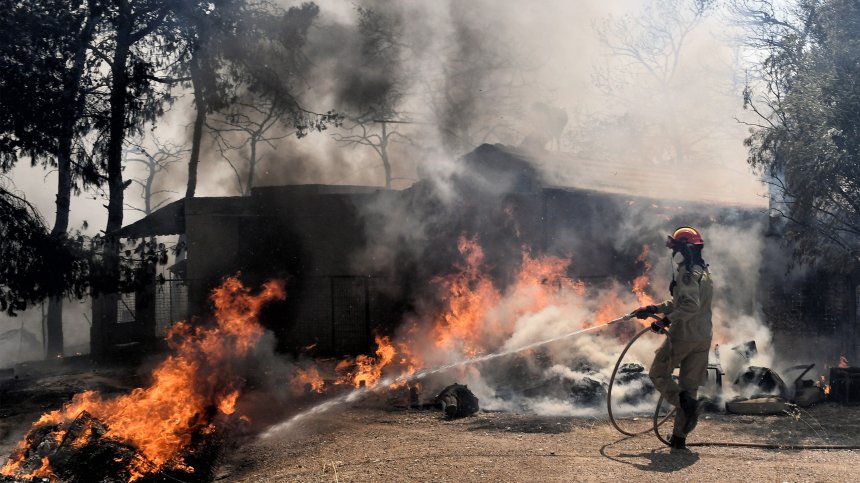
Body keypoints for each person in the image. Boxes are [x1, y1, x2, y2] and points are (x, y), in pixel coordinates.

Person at [632, 226, 713, 451]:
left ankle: (687, 407)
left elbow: (689, 306)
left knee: (658, 373)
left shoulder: (686, 273)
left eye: (676, 247)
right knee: (689, 387)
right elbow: (682, 302)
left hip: (684, 336)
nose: (674, 252)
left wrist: (665, 321)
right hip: (702, 337)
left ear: (684, 249)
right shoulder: (702, 271)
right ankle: (679, 439)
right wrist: (653, 308)